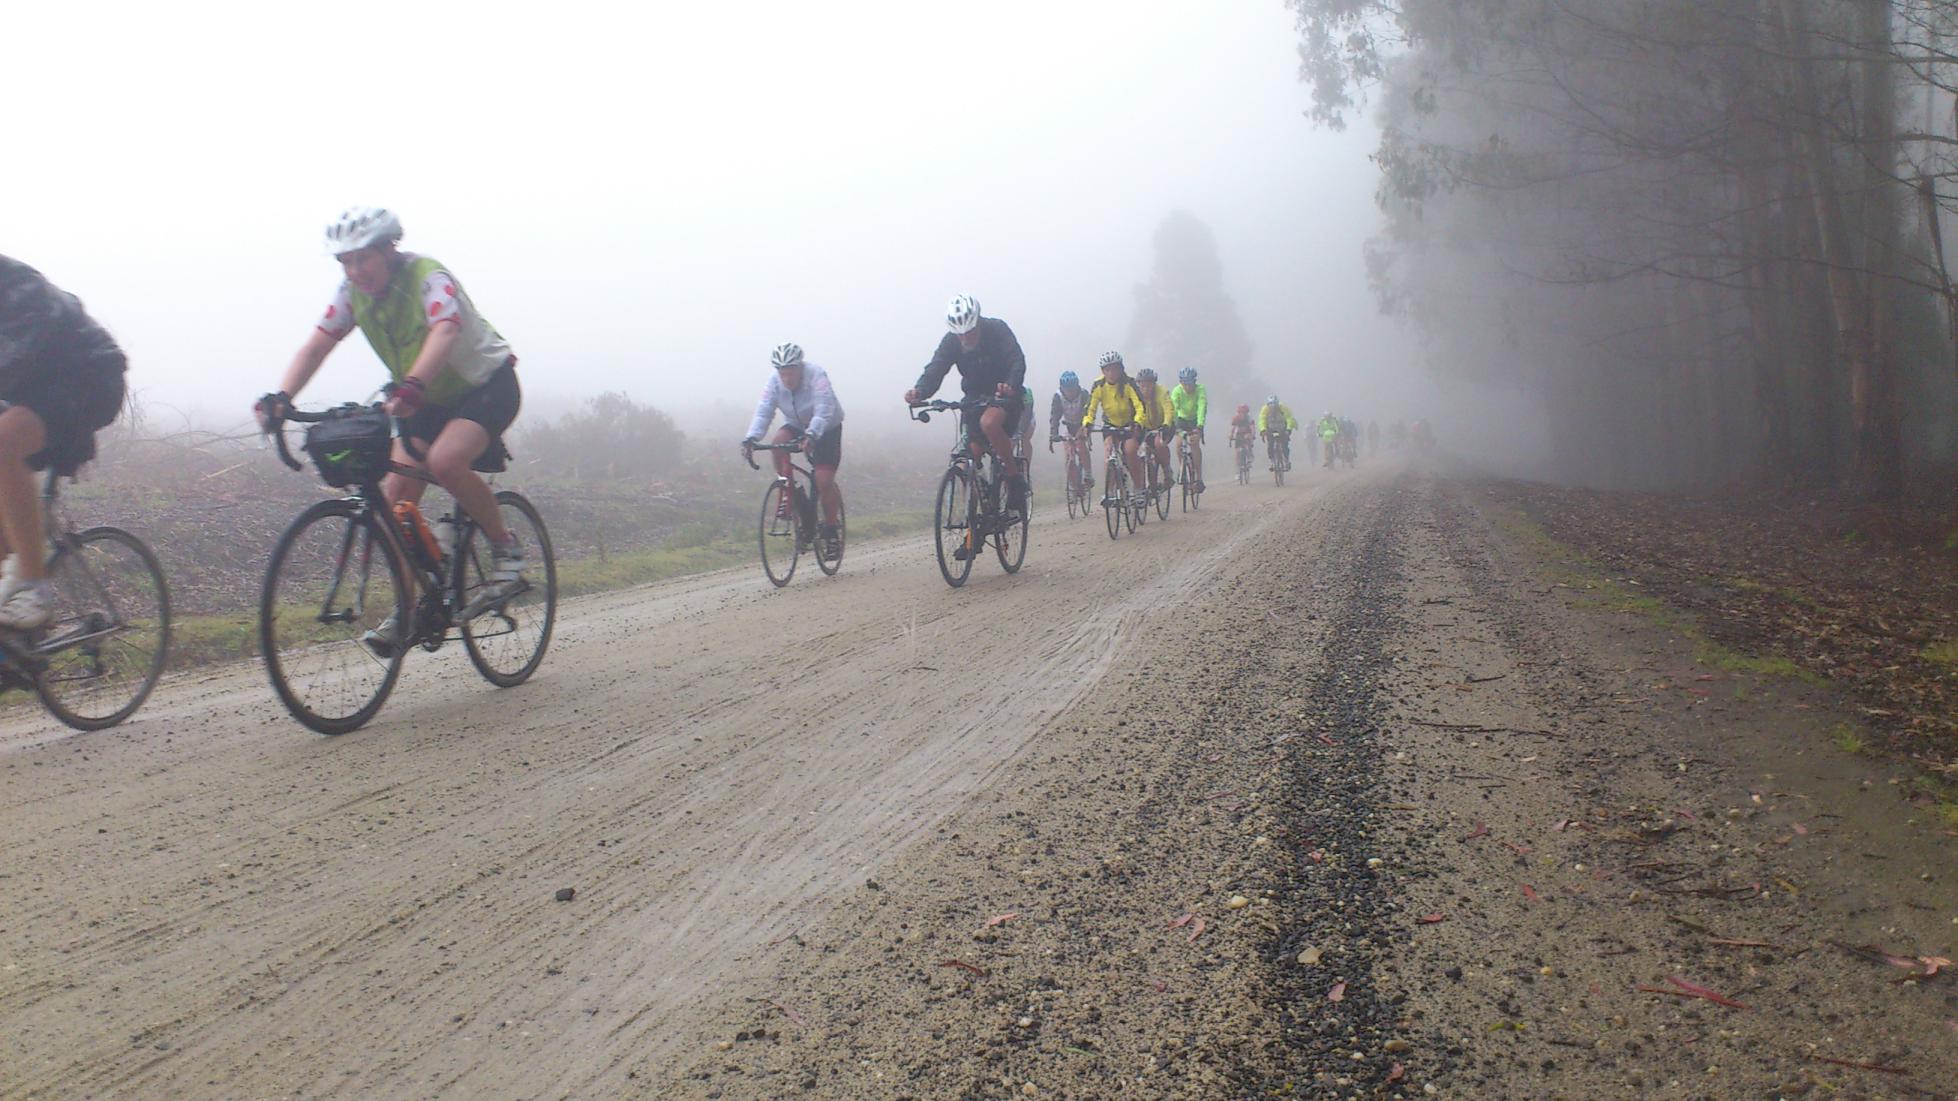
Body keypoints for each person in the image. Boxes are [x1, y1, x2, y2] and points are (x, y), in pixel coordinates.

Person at [256, 206, 525, 655]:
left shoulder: (427, 276)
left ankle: (505, 549)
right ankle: (409, 608)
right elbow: (317, 345)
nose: (355, 271)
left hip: (485, 386)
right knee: (394, 497)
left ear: (388, 249)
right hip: (425, 398)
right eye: (346, 261)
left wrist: (413, 383)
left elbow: (444, 330)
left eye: (363, 258)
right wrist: (282, 396)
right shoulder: (352, 294)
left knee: (445, 462)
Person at [0, 257, 130, 630]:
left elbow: (17, 360)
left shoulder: (19, 286)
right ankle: (15, 641)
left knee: (3, 442)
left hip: (90, 379)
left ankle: (34, 586)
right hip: (32, 392)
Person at [904, 294, 1028, 514]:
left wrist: (1010, 384)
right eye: (959, 334)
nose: (964, 338)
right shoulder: (951, 341)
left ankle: (1013, 478)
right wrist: (920, 391)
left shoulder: (997, 329)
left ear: (977, 321)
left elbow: (1016, 360)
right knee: (967, 459)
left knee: (989, 423)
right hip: (973, 399)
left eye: (969, 332)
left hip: (1004, 396)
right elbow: (936, 368)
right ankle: (974, 522)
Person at [742, 342, 845, 555]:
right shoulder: (774, 381)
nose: (787, 378)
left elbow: (824, 408)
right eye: (783, 373)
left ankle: (831, 530)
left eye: (791, 373)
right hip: (797, 424)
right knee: (778, 443)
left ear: (800, 368)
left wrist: (812, 434)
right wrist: (751, 438)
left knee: (823, 481)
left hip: (826, 427)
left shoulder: (816, 375)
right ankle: (789, 489)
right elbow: (764, 411)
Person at [1080, 351, 1147, 510]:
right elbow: (1091, 408)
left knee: (1130, 451)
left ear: (1121, 369)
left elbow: (1140, 406)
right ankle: (1109, 492)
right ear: (1103, 371)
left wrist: (1138, 422)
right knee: (1108, 453)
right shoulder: (1098, 385)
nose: (1111, 373)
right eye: (1107, 369)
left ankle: (1139, 489)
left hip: (1130, 425)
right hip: (1110, 425)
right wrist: (1087, 423)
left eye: (1115, 369)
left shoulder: (1129, 383)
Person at [1048, 370, 1093, 500]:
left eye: (1072, 389)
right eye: (1067, 389)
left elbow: (1089, 413)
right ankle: (1073, 487)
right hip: (1068, 425)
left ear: (1077, 386)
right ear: (1062, 388)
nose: (1070, 392)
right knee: (1069, 456)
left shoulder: (1084, 394)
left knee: (1081, 445)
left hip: (1082, 424)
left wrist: (1085, 429)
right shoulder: (1058, 397)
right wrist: (1053, 434)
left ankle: (1088, 474)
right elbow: (1055, 416)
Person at [1134, 368, 1175, 500]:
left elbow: (1168, 409)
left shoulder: (1161, 392)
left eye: (1149, 384)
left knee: (1159, 444)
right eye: (1142, 384)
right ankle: (1141, 485)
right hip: (1145, 427)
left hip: (1163, 426)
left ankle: (1167, 471)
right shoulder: (1135, 394)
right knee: (1136, 449)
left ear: (1154, 383)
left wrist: (1166, 424)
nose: (1145, 388)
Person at [1166, 367, 1207, 493]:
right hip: (1181, 419)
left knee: (1194, 444)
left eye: (1190, 384)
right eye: (1185, 384)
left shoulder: (1200, 389)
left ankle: (1199, 478)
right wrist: (1173, 425)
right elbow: (1174, 408)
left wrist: (1200, 425)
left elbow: (1202, 407)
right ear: (1181, 383)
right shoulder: (1177, 391)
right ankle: (1182, 466)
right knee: (1179, 444)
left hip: (1195, 420)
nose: (1188, 387)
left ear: (1195, 382)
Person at [1257, 396, 1296, 471]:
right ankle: (1272, 462)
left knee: (1285, 445)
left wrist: (1288, 429)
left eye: (1275, 406)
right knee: (1270, 446)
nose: (1273, 408)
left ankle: (1286, 460)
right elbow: (1262, 420)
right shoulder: (1265, 410)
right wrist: (1263, 430)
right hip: (1271, 429)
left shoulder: (1283, 408)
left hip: (1282, 428)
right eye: (1271, 406)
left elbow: (1289, 418)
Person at [1227, 403, 1256, 476]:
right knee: (1237, 452)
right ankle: (1238, 470)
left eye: (1244, 412)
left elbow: (1252, 428)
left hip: (1247, 433)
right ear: (1238, 412)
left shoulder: (1249, 418)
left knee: (1247, 443)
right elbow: (1233, 428)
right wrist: (1231, 435)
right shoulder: (1236, 418)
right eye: (1241, 412)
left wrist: (1252, 435)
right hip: (1239, 434)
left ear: (1247, 413)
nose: (1242, 414)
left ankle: (1249, 457)